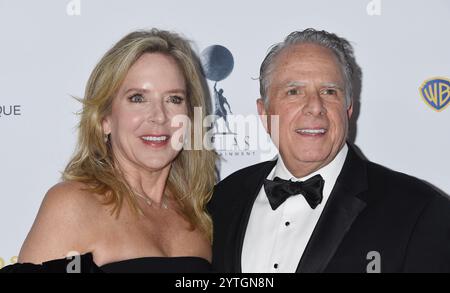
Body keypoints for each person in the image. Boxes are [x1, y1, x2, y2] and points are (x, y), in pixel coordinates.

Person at [208, 28, 450, 273]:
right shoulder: (221, 202)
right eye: (294, 91)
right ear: (264, 113)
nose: (315, 107)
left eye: (329, 92)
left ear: (348, 110)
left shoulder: (419, 212)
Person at [1, 29, 217, 273]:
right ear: (104, 119)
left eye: (174, 99)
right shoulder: (73, 206)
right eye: (137, 98)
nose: (159, 116)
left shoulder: (201, 214)